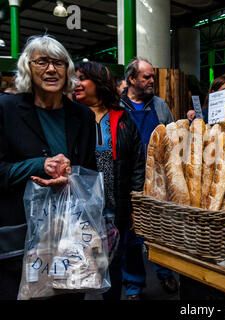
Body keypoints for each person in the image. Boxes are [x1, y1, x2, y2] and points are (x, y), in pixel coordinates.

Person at [0, 35, 97, 300]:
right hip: (20, 238)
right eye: (42, 62)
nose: (51, 69)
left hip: (69, 238)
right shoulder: (6, 109)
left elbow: (89, 173)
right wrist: (41, 166)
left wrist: (70, 177)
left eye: (59, 62)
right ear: (28, 68)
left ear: (68, 71)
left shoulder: (83, 116)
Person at [74, 61, 145, 300]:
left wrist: (135, 202)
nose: (77, 83)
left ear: (99, 82)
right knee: (75, 266)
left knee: (112, 266)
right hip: (78, 210)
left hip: (113, 208)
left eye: (82, 78)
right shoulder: (70, 116)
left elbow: (137, 162)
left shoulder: (121, 116)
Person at [120, 58, 177, 297]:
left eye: (152, 76)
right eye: (147, 77)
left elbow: (174, 140)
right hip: (128, 182)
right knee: (131, 237)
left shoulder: (160, 106)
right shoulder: (118, 107)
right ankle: (133, 285)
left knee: (160, 233)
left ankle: (166, 274)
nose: (152, 81)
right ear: (132, 79)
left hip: (158, 181)